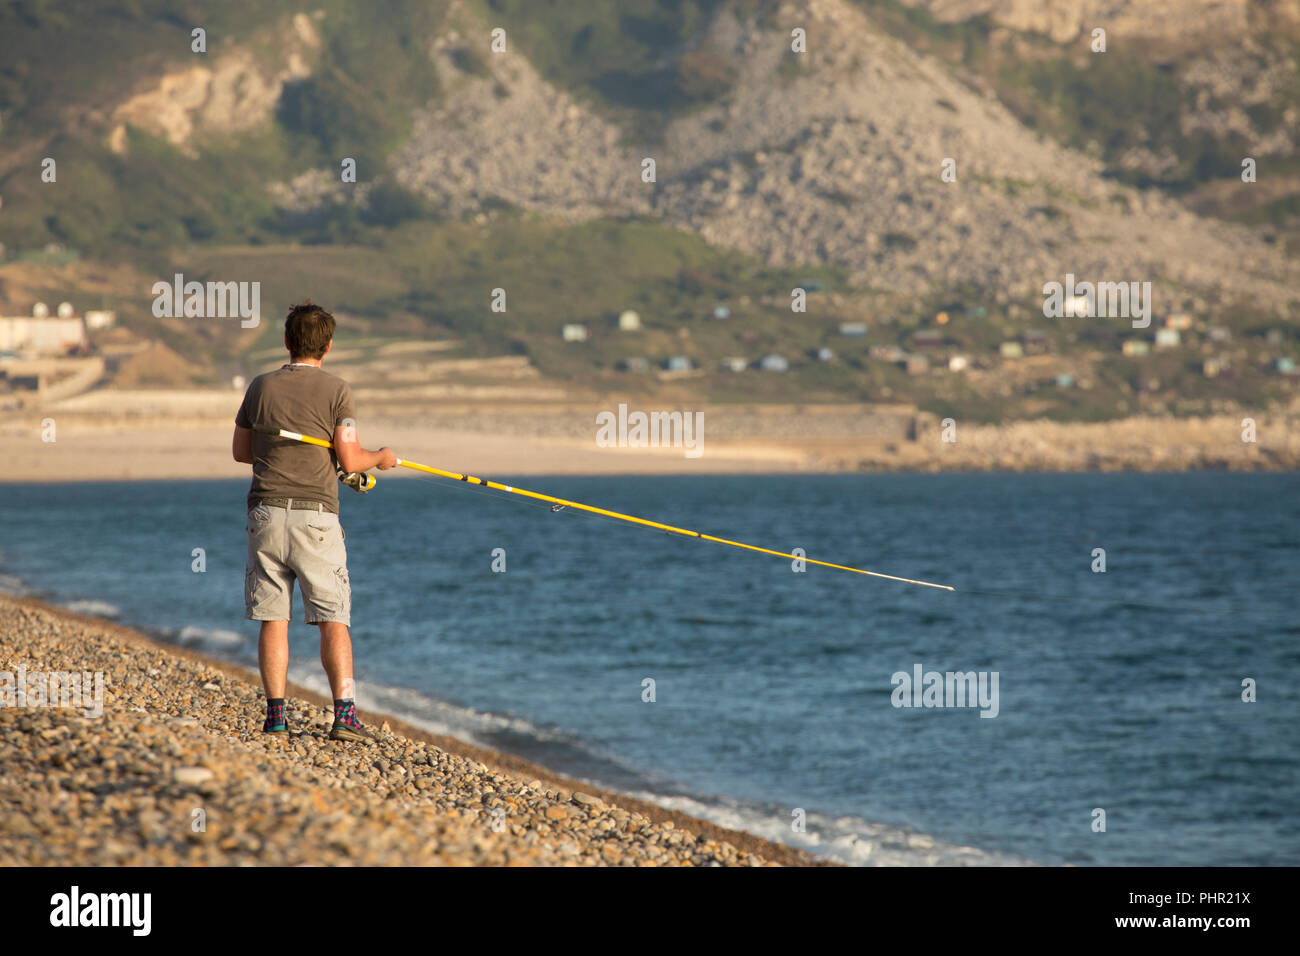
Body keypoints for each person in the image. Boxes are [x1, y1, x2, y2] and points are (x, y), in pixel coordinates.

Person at [231, 302, 397, 740]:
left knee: (273, 617)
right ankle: (343, 716)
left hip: (264, 513)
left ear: (287, 341)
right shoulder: (337, 389)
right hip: (315, 518)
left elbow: (242, 452)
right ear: (327, 346)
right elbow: (349, 457)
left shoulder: (259, 386)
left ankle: (276, 716)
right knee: (332, 617)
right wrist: (380, 458)